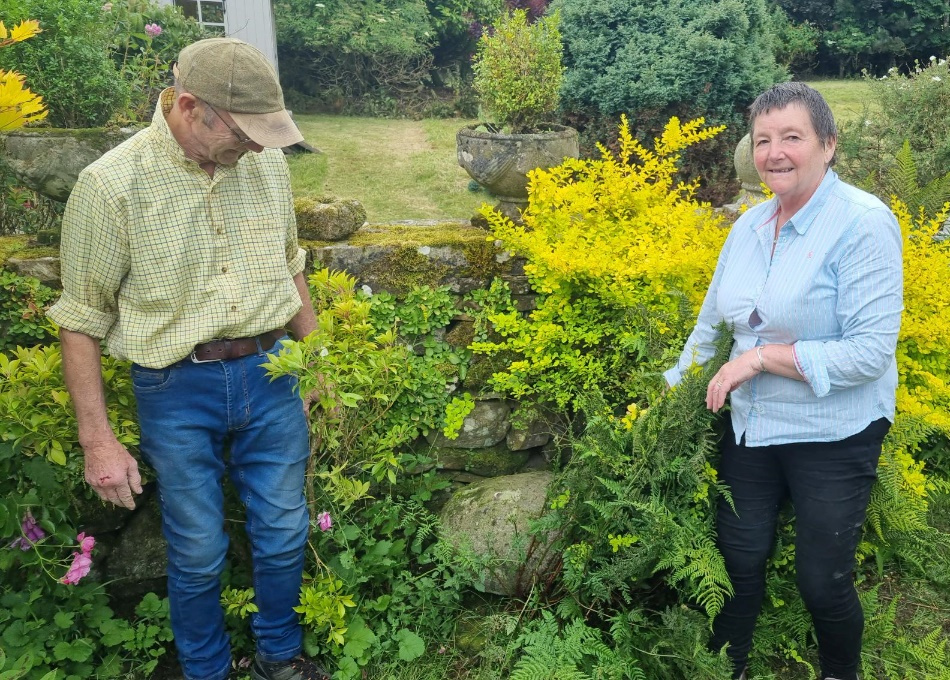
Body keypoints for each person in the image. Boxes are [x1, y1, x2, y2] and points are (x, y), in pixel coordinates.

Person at [48, 38, 330, 680]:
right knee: (198, 549)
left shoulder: (267, 168)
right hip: (175, 388)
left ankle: (279, 657)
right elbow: (82, 320)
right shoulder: (110, 186)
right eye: (243, 132)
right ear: (186, 106)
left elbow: (290, 270)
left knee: (285, 534)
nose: (258, 147)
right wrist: (99, 442)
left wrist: (317, 363)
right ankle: (205, 670)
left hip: (272, 375)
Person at [664, 82, 903, 680]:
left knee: (822, 579)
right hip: (754, 422)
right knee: (737, 559)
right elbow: (710, 327)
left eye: (792, 137)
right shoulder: (747, 228)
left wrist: (761, 359)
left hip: (836, 428)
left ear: (828, 145)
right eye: (764, 139)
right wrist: (668, 395)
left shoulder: (864, 224)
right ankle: (730, 668)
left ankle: (840, 671)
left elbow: (869, 353)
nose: (775, 152)